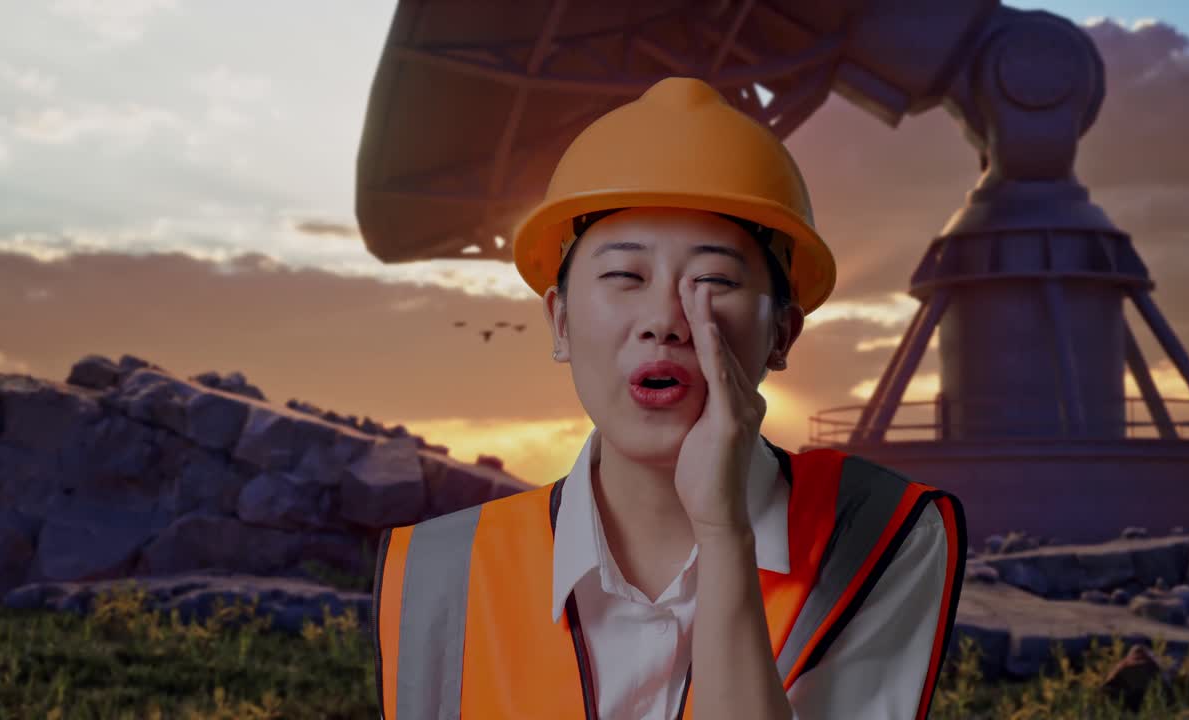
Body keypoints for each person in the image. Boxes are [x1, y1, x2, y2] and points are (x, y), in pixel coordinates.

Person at [373, 76, 966, 720]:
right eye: (623, 275)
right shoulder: (439, 573)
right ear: (561, 323)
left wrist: (724, 535)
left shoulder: (882, 534)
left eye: (713, 279)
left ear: (781, 334)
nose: (665, 320)